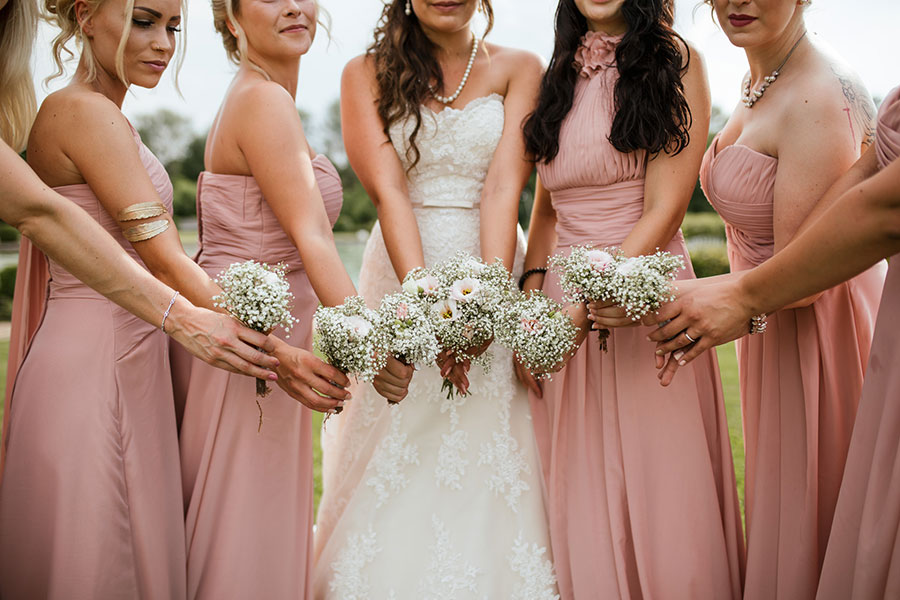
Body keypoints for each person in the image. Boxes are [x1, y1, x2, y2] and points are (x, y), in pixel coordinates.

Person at [313, 1, 558, 597]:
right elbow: (389, 189)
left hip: (493, 257)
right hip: (400, 269)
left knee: (492, 431)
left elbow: (505, 187)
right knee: (398, 426)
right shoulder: (363, 72)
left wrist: (488, 301)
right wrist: (425, 302)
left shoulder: (522, 67)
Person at [647, 2, 886, 598]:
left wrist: (671, 295)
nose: (738, 1)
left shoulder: (814, 94)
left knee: (819, 517)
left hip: (814, 338)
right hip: (764, 327)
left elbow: (803, 276)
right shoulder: (760, 80)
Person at [174, 0, 411, 597]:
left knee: (253, 518)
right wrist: (373, 346)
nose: (292, 5)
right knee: (242, 525)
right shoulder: (262, 100)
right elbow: (313, 240)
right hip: (252, 350)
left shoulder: (262, 94)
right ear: (229, 17)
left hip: (268, 345)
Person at [519, 0, 744, 597]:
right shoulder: (559, 70)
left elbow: (666, 206)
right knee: (581, 482)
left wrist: (593, 296)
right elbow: (545, 207)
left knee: (661, 479)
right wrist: (532, 306)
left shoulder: (676, 59)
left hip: (644, 289)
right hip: (563, 308)